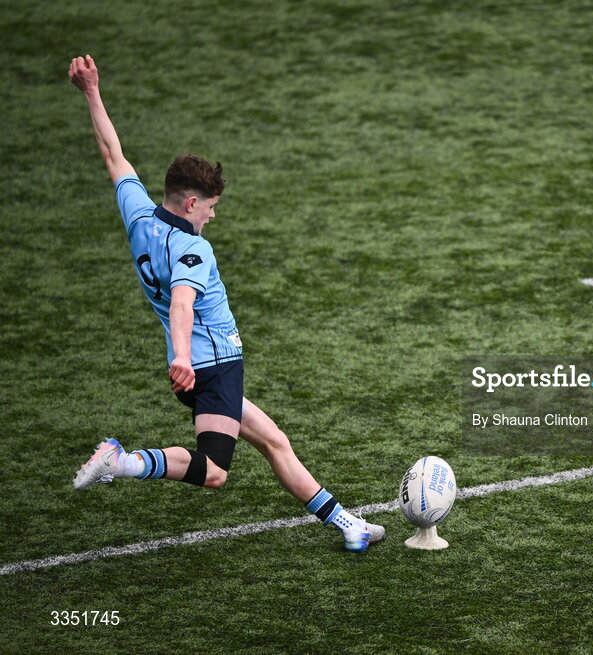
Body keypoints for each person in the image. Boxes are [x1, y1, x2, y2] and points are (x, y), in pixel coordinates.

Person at [68, 55, 383, 552]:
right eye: (211, 207)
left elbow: (113, 154)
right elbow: (182, 301)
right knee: (214, 473)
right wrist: (183, 357)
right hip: (211, 366)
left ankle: (349, 524)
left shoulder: (139, 216)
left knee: (273, 439)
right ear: (191, 203)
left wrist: (91, 91)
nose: (213, 217)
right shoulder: (192, 248)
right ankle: (121, 460)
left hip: (199, 368)